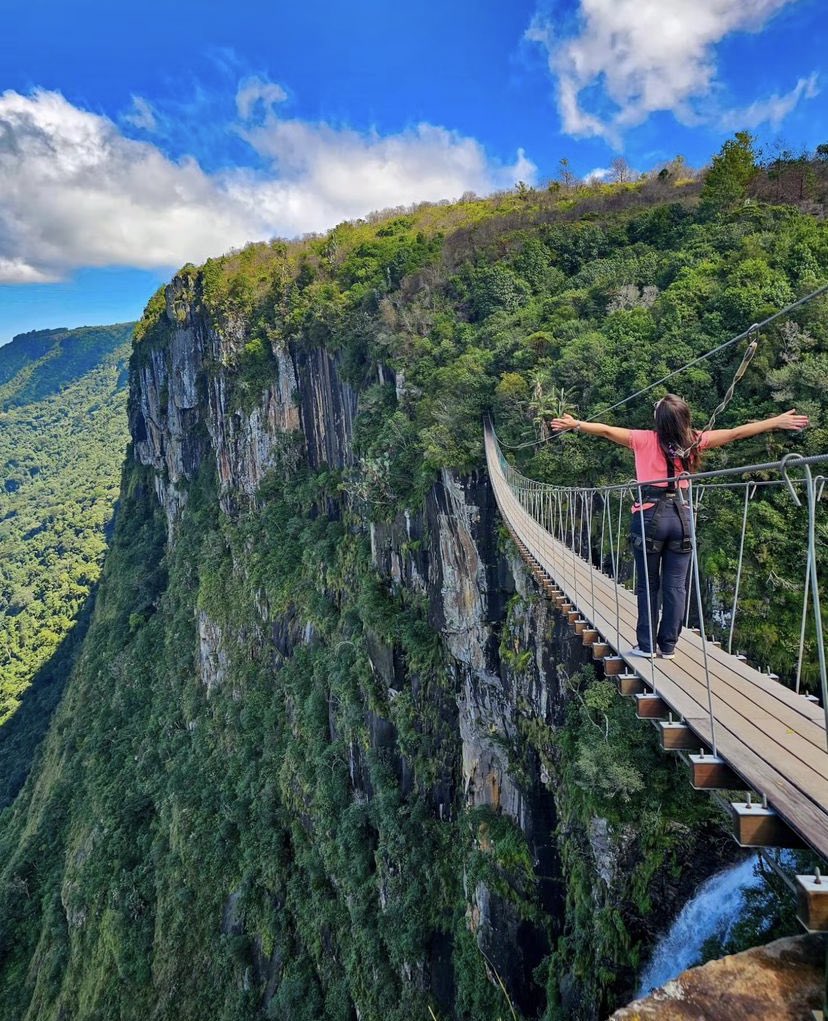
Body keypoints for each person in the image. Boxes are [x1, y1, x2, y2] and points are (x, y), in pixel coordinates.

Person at [551, 396, 809, 660]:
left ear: (658, 420)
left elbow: (605, 430)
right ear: (684, 418)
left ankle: (647, 646)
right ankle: (668, 647)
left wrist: (576, 424)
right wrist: (776, 422)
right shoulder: (694, 440)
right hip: (682, 517)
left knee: (648, 585)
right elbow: (735, 433)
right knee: (676, 585)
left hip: (649, 516)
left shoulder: (643, 439)